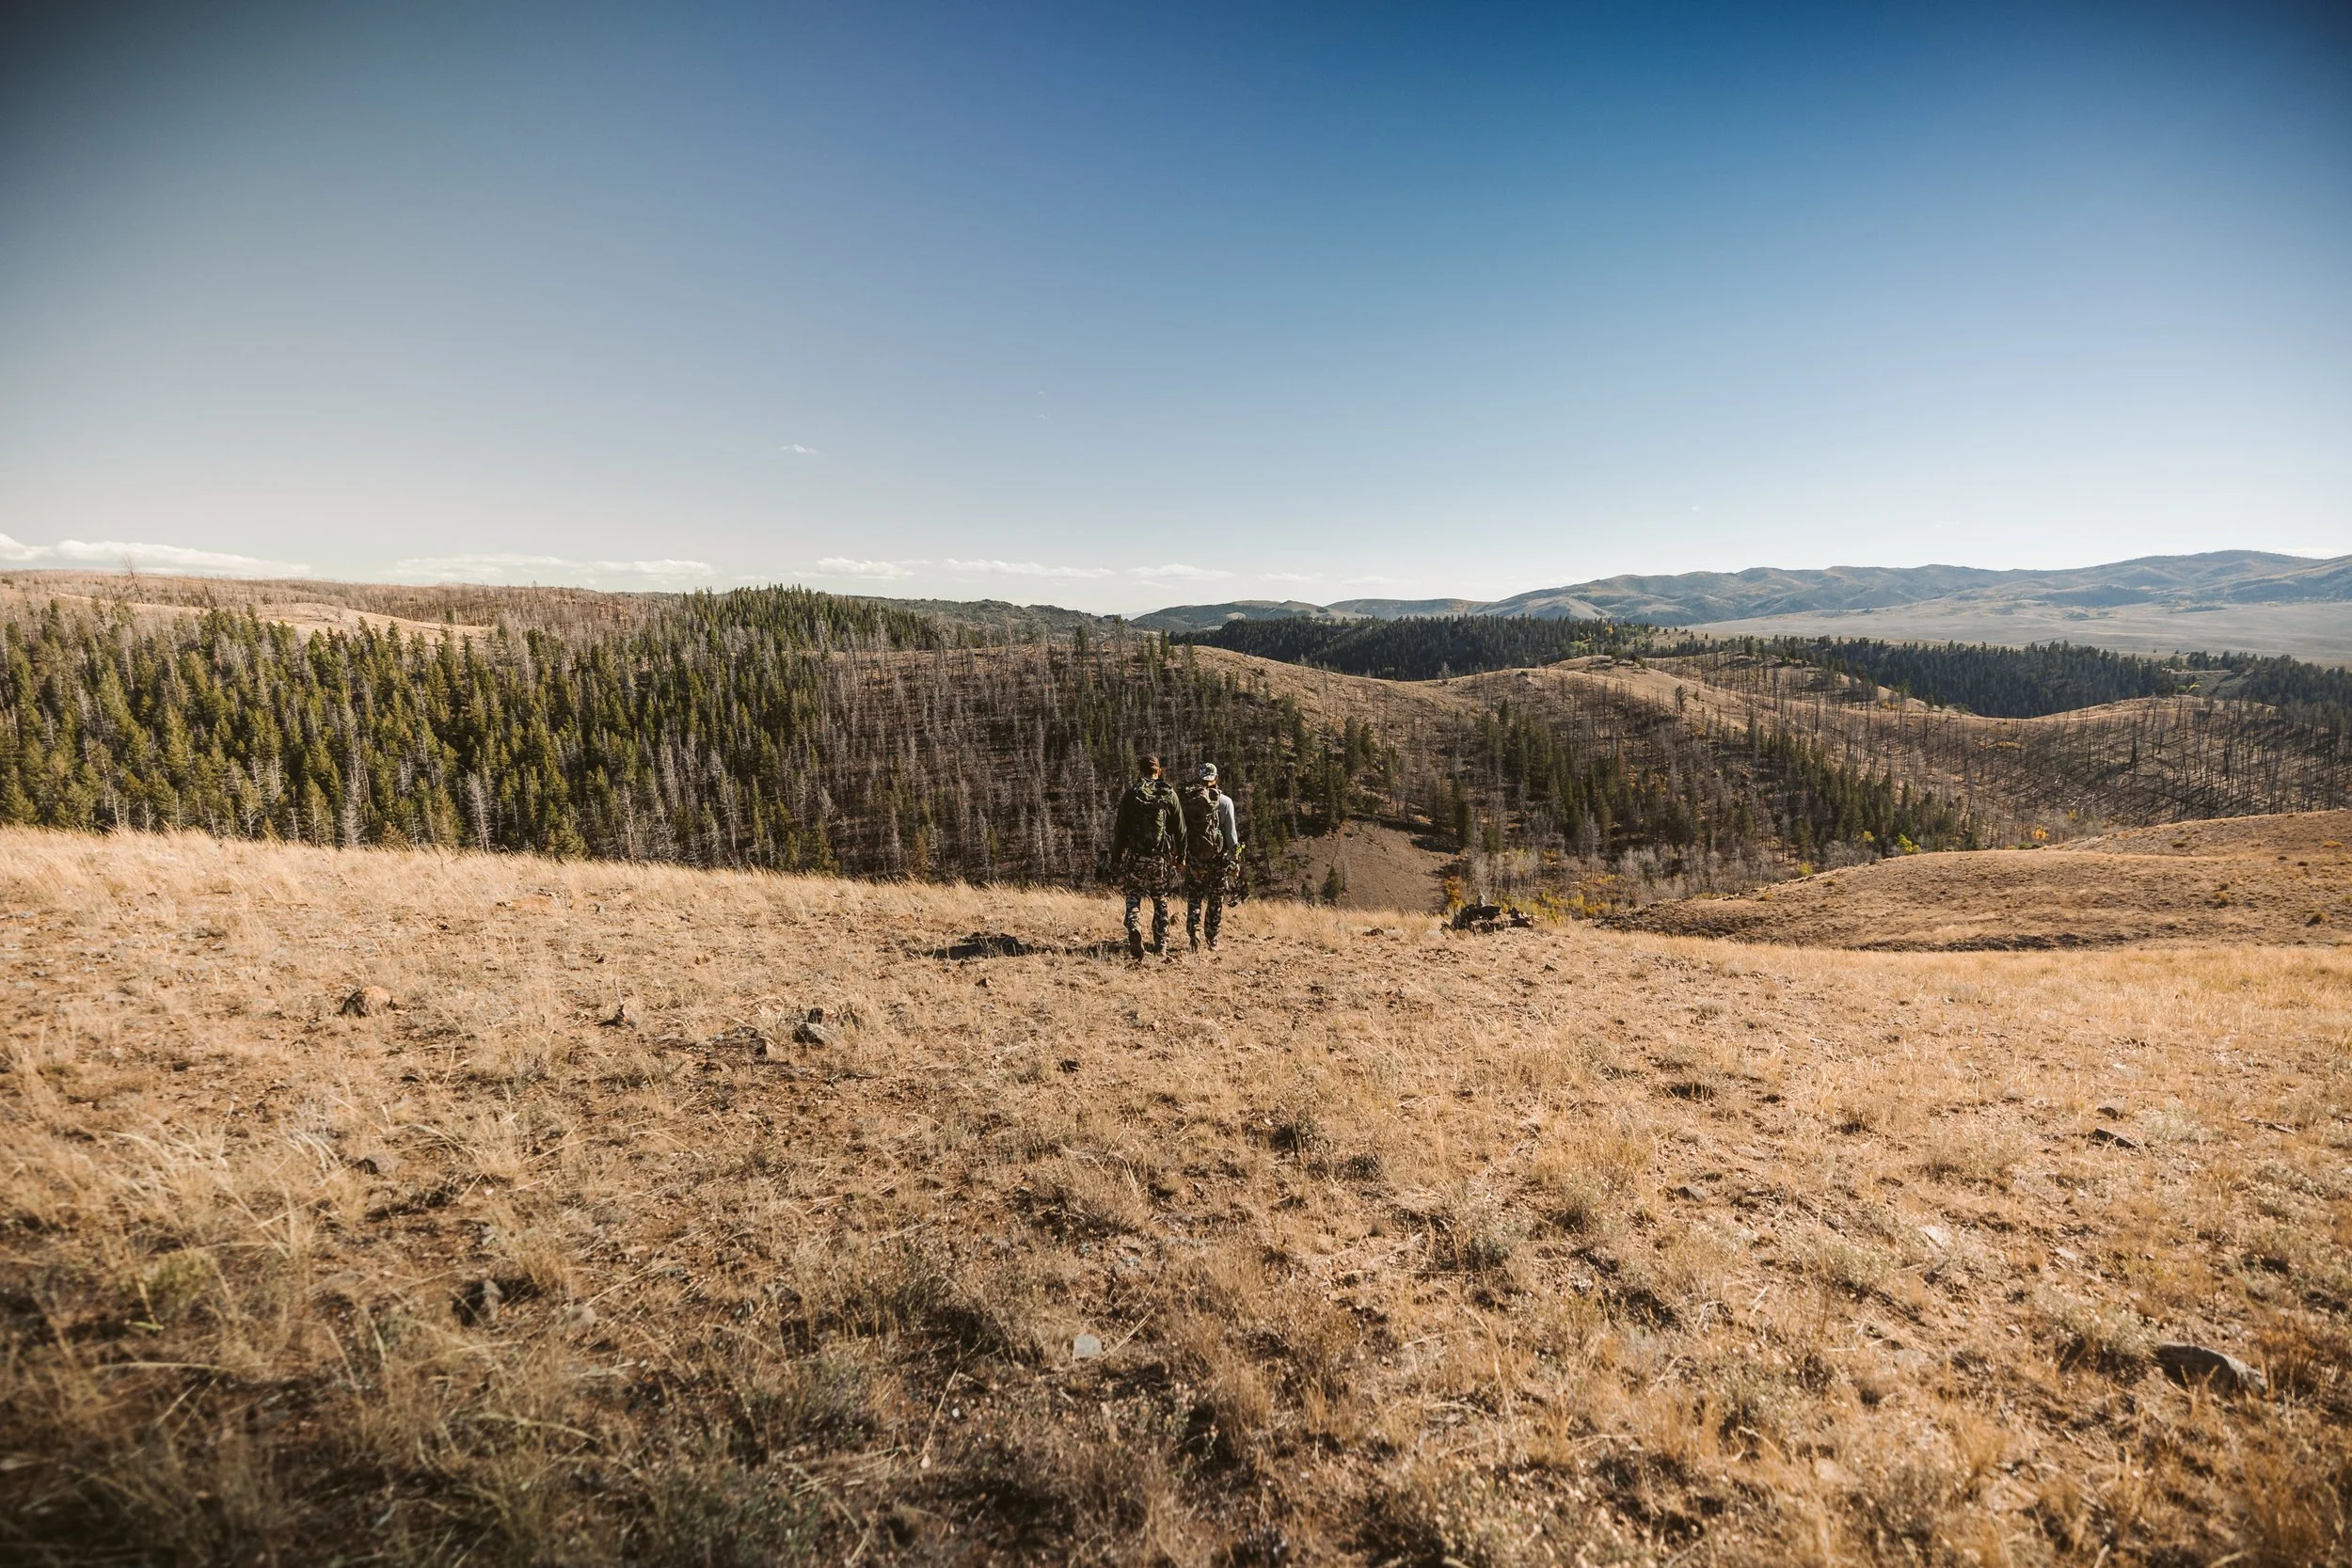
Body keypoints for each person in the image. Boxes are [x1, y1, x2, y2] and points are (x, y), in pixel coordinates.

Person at [1109, 753, 1185, 958]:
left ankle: (1135, 927)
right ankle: (1161, 945)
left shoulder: (1132, 794)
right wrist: (1180, 858)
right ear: (1158, 771)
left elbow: (1120, 831)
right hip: (1160, 856)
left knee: (1133, 895)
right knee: (1160, 899)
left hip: (1136, 856)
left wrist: (1115, 859)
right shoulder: (1169, 794)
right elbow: (1181, 830)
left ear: (1141, 771)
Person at [1179, 762, 1241, 950]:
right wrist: (1236, 858)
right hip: (1217, 859)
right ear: (1216, 779)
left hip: (1194, 857)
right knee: (1215, 898)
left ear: (1200, 778)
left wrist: (1180, 855)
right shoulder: (1225, 802)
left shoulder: (1188, 801)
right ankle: (1212, 937)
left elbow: (1181, 830)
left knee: (1195, 895)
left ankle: (1194, 931)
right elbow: (1231, 834)